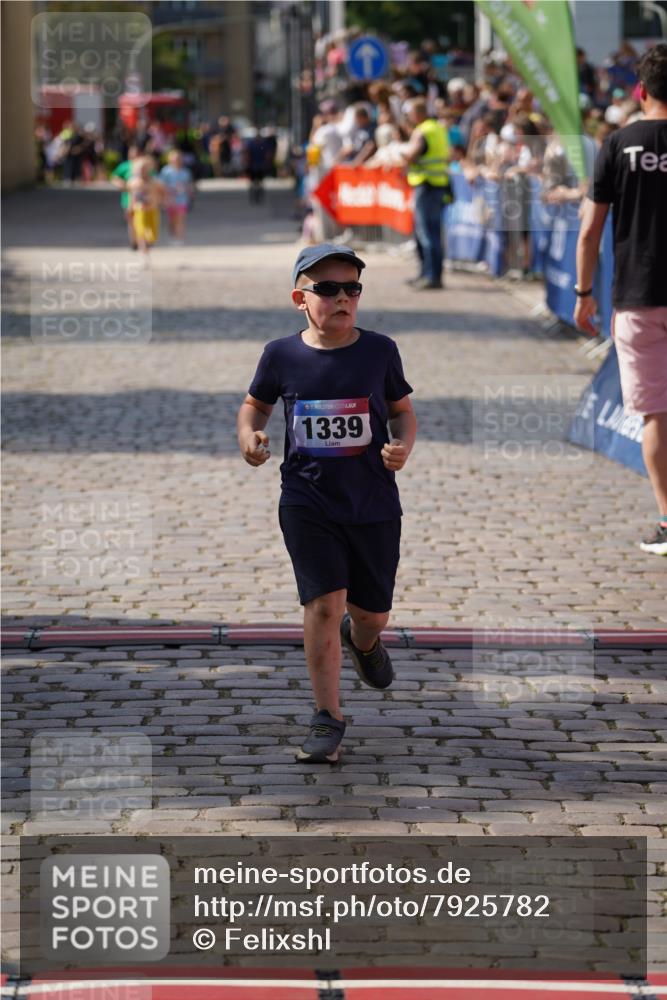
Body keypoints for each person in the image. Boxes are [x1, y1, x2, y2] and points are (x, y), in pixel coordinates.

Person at [236, 244, 417, 762]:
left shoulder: (380, 351)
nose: (342, 298)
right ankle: (327, 717)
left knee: (372, 614)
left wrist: (401, 443)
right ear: (301, 298)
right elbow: (254, 407)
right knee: (322, 604)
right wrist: (250, 438)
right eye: (328, 289)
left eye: (352, 289)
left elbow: (402, 411)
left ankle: (364, 642)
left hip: (373, 502)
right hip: (307, 500)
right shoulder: (281, 355)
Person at [574, 43, 667, 556]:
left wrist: (584, 292)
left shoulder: (619, 142)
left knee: (657, 416)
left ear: (641, 90)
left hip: (638, 295)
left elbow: (590, 230)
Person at [400, 97, 450, 290]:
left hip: (425, 184)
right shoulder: (438, 128)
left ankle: (429, 276)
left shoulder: (423, 130)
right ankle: (430, 274)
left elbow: (412, 156)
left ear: (417, 113)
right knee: (434, 232)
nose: (409, 117)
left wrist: (401, 153)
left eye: (410, 113)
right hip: (438, 184)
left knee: (425, 234)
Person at [128, 156, 164, 265]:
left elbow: (162, 192)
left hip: (153, 210)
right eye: (140, 169)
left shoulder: (155, 182)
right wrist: (130, 207)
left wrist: (161, 201)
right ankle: (144, 254)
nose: (142, 171)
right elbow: (131, 196)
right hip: (140, 211)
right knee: (141, 232)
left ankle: (147, 247)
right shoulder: (133, 182)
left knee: (153, 235)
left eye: (144, 168)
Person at [159, 148, 194, 245]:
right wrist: (164, 197)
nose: (177, 160)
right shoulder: (166, 171)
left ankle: (180, 238)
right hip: (170, 199)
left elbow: (189, 184)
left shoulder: (186, 172)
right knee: (172, 220)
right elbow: (161, 185)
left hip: (182, 199)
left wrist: (190, 193)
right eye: (174, 158)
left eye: (178, 158)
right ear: (170, 159)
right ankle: (173, 234)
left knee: (181, 218)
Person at [111, 143, 141, 249]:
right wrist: (121, 185)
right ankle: (133, 241)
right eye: (132, 153)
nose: (134, 155)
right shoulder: (125, 166)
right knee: (131, 220)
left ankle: (141, 239)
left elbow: (153, 178)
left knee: (141, 219)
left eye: (136, 153)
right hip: (128, 197)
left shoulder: (144, 165)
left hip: (141, 198)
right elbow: (114, 177)